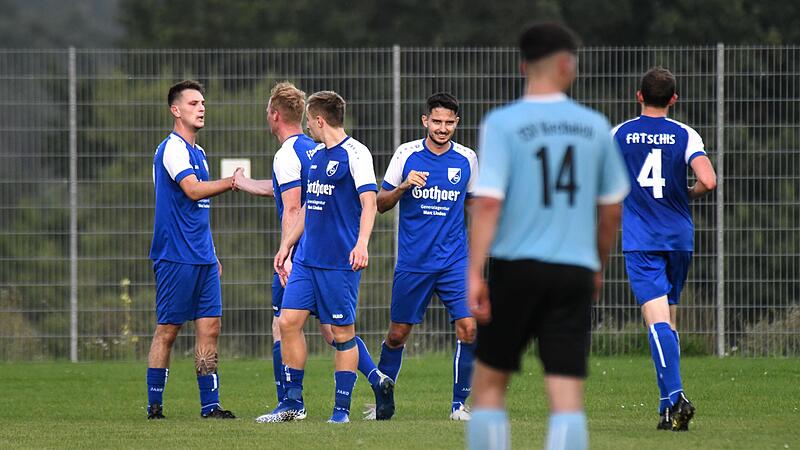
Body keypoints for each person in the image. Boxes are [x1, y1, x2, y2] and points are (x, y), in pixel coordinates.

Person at [466, 23, 630, 450]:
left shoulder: (502, 123)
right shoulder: (594, 125)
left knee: (489, 385)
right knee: (566, 395)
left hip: (516, 268)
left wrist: (473, 272)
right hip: (574, 269)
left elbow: (487, 203)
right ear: (566, 65)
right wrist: (596, 263)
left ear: (523, 66)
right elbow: (611, 208)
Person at [231, 82, 388, 421]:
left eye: (310, 122)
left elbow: (370, 203)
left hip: (337, 261)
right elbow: (306, 208)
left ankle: (340, 412)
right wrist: (286, 246)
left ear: (318, 121)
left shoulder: (356, 154)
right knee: (288, 322)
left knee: (341, 335)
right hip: (306, 259)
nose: (306, 128)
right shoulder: (315, 156)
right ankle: (291, 404)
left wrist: (361, 244)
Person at [612, 66, 716, 431]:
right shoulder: (685, 134)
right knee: (668, 322)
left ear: (638, 95)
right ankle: (666, 412)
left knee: (656, 322)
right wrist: (687, 194)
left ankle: (676, 397)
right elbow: (709, 180)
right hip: (679, 237)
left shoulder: (620, 133)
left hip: (642, 239)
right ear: (673, 99)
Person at [368, 92, 477, 421]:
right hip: (414, 262)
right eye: (437, 121)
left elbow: (474, 207)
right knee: (397, 334)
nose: (442, 128)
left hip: (454, 261)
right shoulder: (406, 154)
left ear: (456, 123)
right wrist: (402, 187)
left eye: (449, 123)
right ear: (425, 121)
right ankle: (382, 403)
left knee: (469, 328)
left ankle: (460, 405)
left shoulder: (467, 159)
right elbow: (380, 202)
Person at [146, 80, 238, 420]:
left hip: (202, 257)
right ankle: (155, 405)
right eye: (193, 103)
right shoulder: (171, 149)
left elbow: (200, 213)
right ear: (175, 110)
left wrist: (212, 252)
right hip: (175, 256)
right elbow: (193, 191)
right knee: (168, 329)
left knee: (210, 328)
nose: (201, 108)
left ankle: (210, 405)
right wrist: (232, 182)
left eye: (202, 103)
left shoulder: (199, 153)